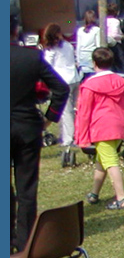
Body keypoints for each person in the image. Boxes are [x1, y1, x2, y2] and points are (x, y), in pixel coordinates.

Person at [11, 14, 69, 252]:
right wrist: (49, 118)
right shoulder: (32, 56)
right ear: (16, 31)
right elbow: (61, 89)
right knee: (27, 187)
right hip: (26, 126)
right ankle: (23, 240)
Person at [74, 47, 124, 209]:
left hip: (101, 127)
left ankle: (121, 198)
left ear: (94, 63)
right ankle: (94, 193)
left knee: (111, 162)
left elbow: (84, 113)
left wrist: (82, 137)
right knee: (103, 160)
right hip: (119, 124)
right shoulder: (122, 81)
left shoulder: (89, 85)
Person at [39, 23, 79, 159]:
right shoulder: (67, 45)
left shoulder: (51, 50)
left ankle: (69, 139)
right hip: (74, 77)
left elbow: (46, 66)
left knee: (65, 112)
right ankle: (76, 134)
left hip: (62, 81)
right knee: (76, 109)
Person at [76, 10, 103, 80]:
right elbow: (98, 46)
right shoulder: (97, 30)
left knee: (83, 78)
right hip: (92, 57)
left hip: (82, 57)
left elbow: (78, 46)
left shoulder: (80, 30)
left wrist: (78, 60)